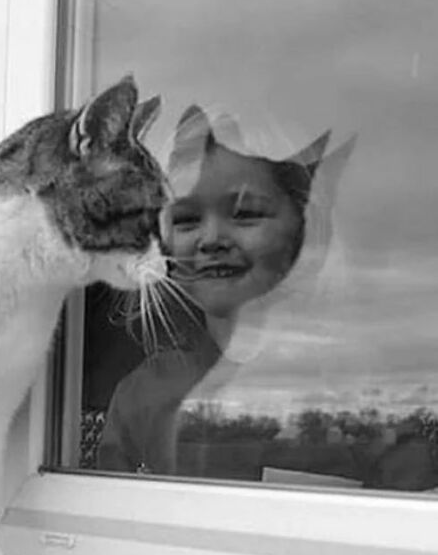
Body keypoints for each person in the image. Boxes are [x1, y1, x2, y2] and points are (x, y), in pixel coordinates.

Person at [96, 105, 353, 475]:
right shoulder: (144, 393)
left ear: (306, 229)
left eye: (245, 214)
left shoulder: (351, 391)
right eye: (185, 220)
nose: (212, 239)